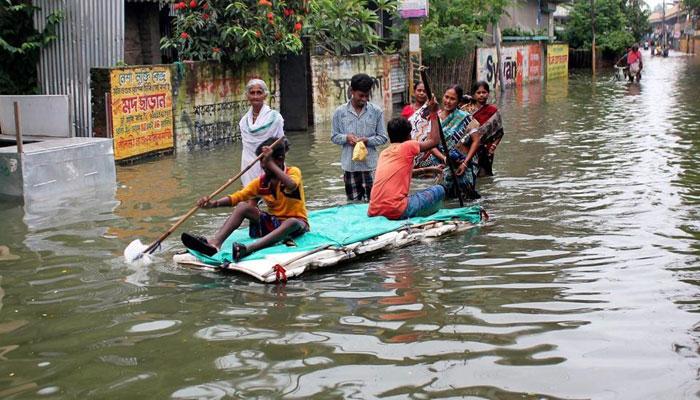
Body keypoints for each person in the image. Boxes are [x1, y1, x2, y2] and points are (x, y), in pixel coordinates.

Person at [181, 137, 309, 262]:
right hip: (274, 224)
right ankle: (215, 244)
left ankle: (248, 249)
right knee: (242, 206)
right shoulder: (262, 182)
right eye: (263, 165)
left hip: (297, 225)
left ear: (280, 160)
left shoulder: (293, 172)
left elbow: (291, 185)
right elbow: (237, 197)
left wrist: (270, 163)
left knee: (291, 222)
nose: (263, 167)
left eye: (267, 165)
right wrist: (213, 204)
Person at [368, 96, 445, 220]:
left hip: (374, 210)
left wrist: (430, 169)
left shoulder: (384, 153)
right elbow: (434, 141)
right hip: (396, 210)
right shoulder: (408, 146)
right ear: (409, 136)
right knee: (440, 189)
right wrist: (433, 113)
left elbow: (400, 173)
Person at [331, 73, 388, 202]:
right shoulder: (340, 112)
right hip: (350, 167)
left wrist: (367, 140)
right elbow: (334, 136)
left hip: (370, 167)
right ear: (352, 91)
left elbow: (383, 137)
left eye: (367, 95)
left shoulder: (376, 111)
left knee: (374, 203)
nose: (364, 99)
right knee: (353, 205)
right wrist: (346, 138)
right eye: (361, 95)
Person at [239, 79, 284, 186]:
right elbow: (247, 150)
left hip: (269, 166)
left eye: (259, 92)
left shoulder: (275, 118)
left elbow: (281, 145)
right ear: (247, 96)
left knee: (269, 197)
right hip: (248, 168)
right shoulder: (243, 122)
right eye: (252, 93)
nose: (255, 96)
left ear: (265, 95)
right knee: (250, 197)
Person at [468, 81, 505, 177]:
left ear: (488, 93)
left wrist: (493, 146)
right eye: (478, 93)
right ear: (473, 95)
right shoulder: (467, 111)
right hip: (469, 150)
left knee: (484, 176)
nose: (481, 95)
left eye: (484, 92)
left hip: (486, 151)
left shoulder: (493, 112)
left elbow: (499, 132)